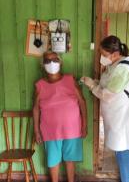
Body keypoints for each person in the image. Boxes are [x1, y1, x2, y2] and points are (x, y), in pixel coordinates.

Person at [81, 35, 129, 182]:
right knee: (124, 149)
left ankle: (126, 180)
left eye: (104, 55)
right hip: (117, 115)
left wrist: (92, 85)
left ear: (115, 54)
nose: (102, 57)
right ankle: (127, 179)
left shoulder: (123, 68)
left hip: (122, 116)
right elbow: (109, 85)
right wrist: (95, 82)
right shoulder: (116, 65)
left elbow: (108, 94)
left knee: (122, 151)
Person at [33, 51, 87, 182]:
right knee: (53, 160)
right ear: (42, 65)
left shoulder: (70, 79)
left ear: (60, 62)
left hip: (72, 129)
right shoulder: (40, 85)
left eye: (54, 59)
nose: (51, 63)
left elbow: (82, 102)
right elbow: (35, 109)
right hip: (50, 130)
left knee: (70, 159)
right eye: (47, 60)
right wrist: (36, 131)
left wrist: (85, 125)